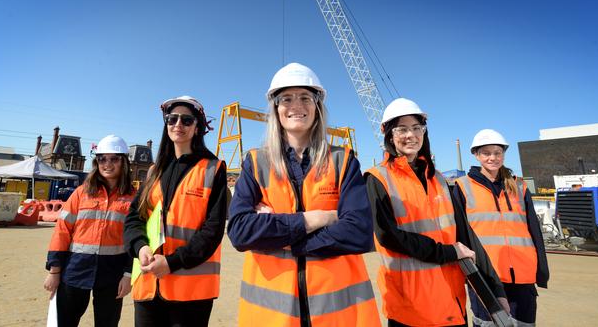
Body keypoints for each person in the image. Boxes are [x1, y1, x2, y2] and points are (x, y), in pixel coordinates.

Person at [228, 62, 380, 327]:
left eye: (305, 97)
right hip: (273, 318)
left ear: (317, 107)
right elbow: (240, 232)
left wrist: (279, 235)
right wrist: (315, 219)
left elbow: (359, 233)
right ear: (275, 108)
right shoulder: (255, 162)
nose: (296, 105)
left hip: (337, 317)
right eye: (286, 98)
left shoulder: (343, 161)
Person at [365, 98, 508, 327]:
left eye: (416, 128)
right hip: (409, 309)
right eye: (402, 129)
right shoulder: (377, 179)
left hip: (451, 303)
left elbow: (465, 235)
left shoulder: (439, 179)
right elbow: (388, 236)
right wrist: (449, 252)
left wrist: (495, 288)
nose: (410, 135)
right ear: (389, 135)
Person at [123, 95, 228, 327]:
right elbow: (133, 220)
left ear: (197, 126)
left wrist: (172, 262)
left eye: (186, 120)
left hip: (190, 292)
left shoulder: (213, 169)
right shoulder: (154, 171)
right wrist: (140, 248)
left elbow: (213, 231)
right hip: (149, 286)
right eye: (172, 119)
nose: (178, 124)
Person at [454, 129, 549, 327]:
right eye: (486, 153)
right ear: (476, 155)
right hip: (485, 276)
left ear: (504, 154)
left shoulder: (519, 186)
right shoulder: (463, 187)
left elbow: (534, 231)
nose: (493, 158)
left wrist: (541, 270)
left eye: (497, 152)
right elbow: (459, 233)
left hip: (522, 276)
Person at [44, 134, 135, 327]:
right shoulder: (81, 193)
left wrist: (128, 275)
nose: (107, 164)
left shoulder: (134, 198)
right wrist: (54, 270)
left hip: (113, 274)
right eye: (102, 158)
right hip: (75, 270)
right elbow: (62, 231)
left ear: (124, 162)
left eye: (114, 159)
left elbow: (136, 240)